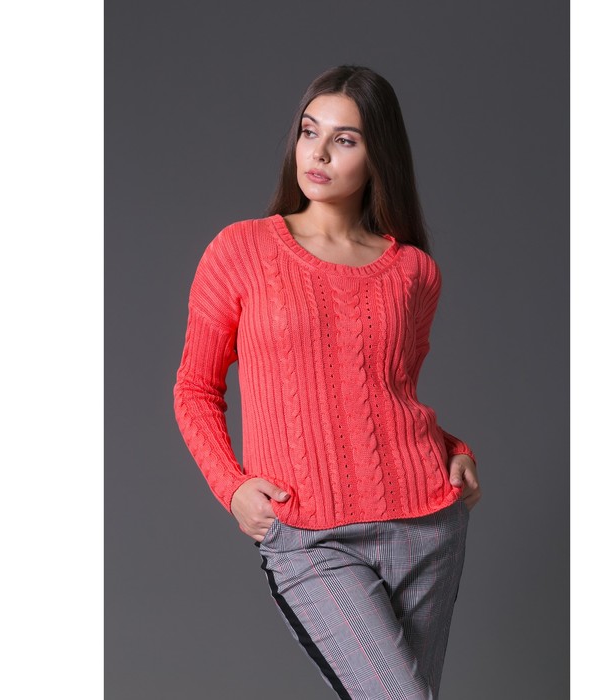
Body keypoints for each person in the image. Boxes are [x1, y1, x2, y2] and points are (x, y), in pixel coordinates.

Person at [173, 64, 482, 700]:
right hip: (310, 534)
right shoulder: (241, 250)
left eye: (344, 139)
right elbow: (195, 389)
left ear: (378, 155)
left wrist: (454, 447)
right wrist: (232, 486)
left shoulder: (414, 273)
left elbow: (383, 395)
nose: (317, 153)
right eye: (309, 131)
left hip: (426, 524)